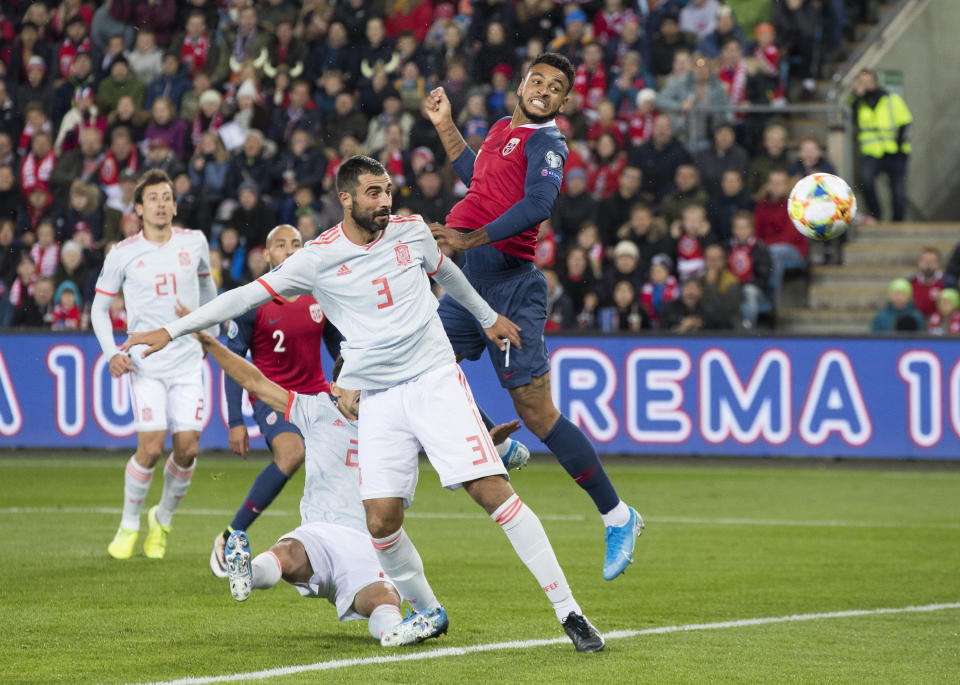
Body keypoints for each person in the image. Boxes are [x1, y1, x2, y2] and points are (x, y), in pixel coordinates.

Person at [123, 156, 605, 651]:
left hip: (432, 378)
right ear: (346, 198)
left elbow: (450, 275)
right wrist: (172, 329)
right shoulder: (316, 257)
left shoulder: (411, 231)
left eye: (388, 190)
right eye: (373, 192)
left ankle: (570, 612)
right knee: (380, 521)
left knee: (490, 492)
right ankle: (429, 611)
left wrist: (485, 317)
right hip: (379, 398)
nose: (385, 201)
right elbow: (242, 297)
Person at [424, 53, 643, 581]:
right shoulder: (502, 129)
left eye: (556, 86)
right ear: (521, 84)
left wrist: (468, 237)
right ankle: (494, 440)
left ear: (564, 101)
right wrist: (446, 125)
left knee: (539, 412)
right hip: (467, 283)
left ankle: (618, 516)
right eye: (537, 79)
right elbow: (476, 178)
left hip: (512, 287)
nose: (544, 89)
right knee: (424, 365)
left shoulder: (549, 143)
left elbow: (538, 205)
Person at [195, 323, 519, 645]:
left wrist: (491, 444)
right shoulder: (314, 409)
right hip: (319, 534)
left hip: (371, 544)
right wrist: (214, 346)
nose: (362, 389)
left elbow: (450, 427)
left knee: (386, 599)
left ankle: (394, 633)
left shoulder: (395, 421)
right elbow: (255, 381)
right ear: (335, 387)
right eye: (355, 381)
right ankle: (247, 575)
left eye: (368, 380)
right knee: (287, 553)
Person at [91, 169, 218, 560]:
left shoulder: (194, 242)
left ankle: (161, 519)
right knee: (149, 447)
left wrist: (208, 332)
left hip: (186, 362)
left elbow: (208, 289)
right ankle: (129, 525)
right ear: (139, 208)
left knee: (187, 450)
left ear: (175, 205)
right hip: (144, 363)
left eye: (168, 197)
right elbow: (98, 307)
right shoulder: (122, 253)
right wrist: (112, 352)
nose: (162, 204)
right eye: (154, 199)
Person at [208, 224, 344, 577]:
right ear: (267, 256)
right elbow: (234, 361)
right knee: (292, 453)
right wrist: (235, 420)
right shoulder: (252, 300)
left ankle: (337, 546)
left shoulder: (320, 297)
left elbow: (340, 349)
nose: (290, 250)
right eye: (280, 245)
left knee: (341, 466)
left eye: (296, 244)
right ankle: (229, 537)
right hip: (274, 399)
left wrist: (346, 383)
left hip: (316, 396)